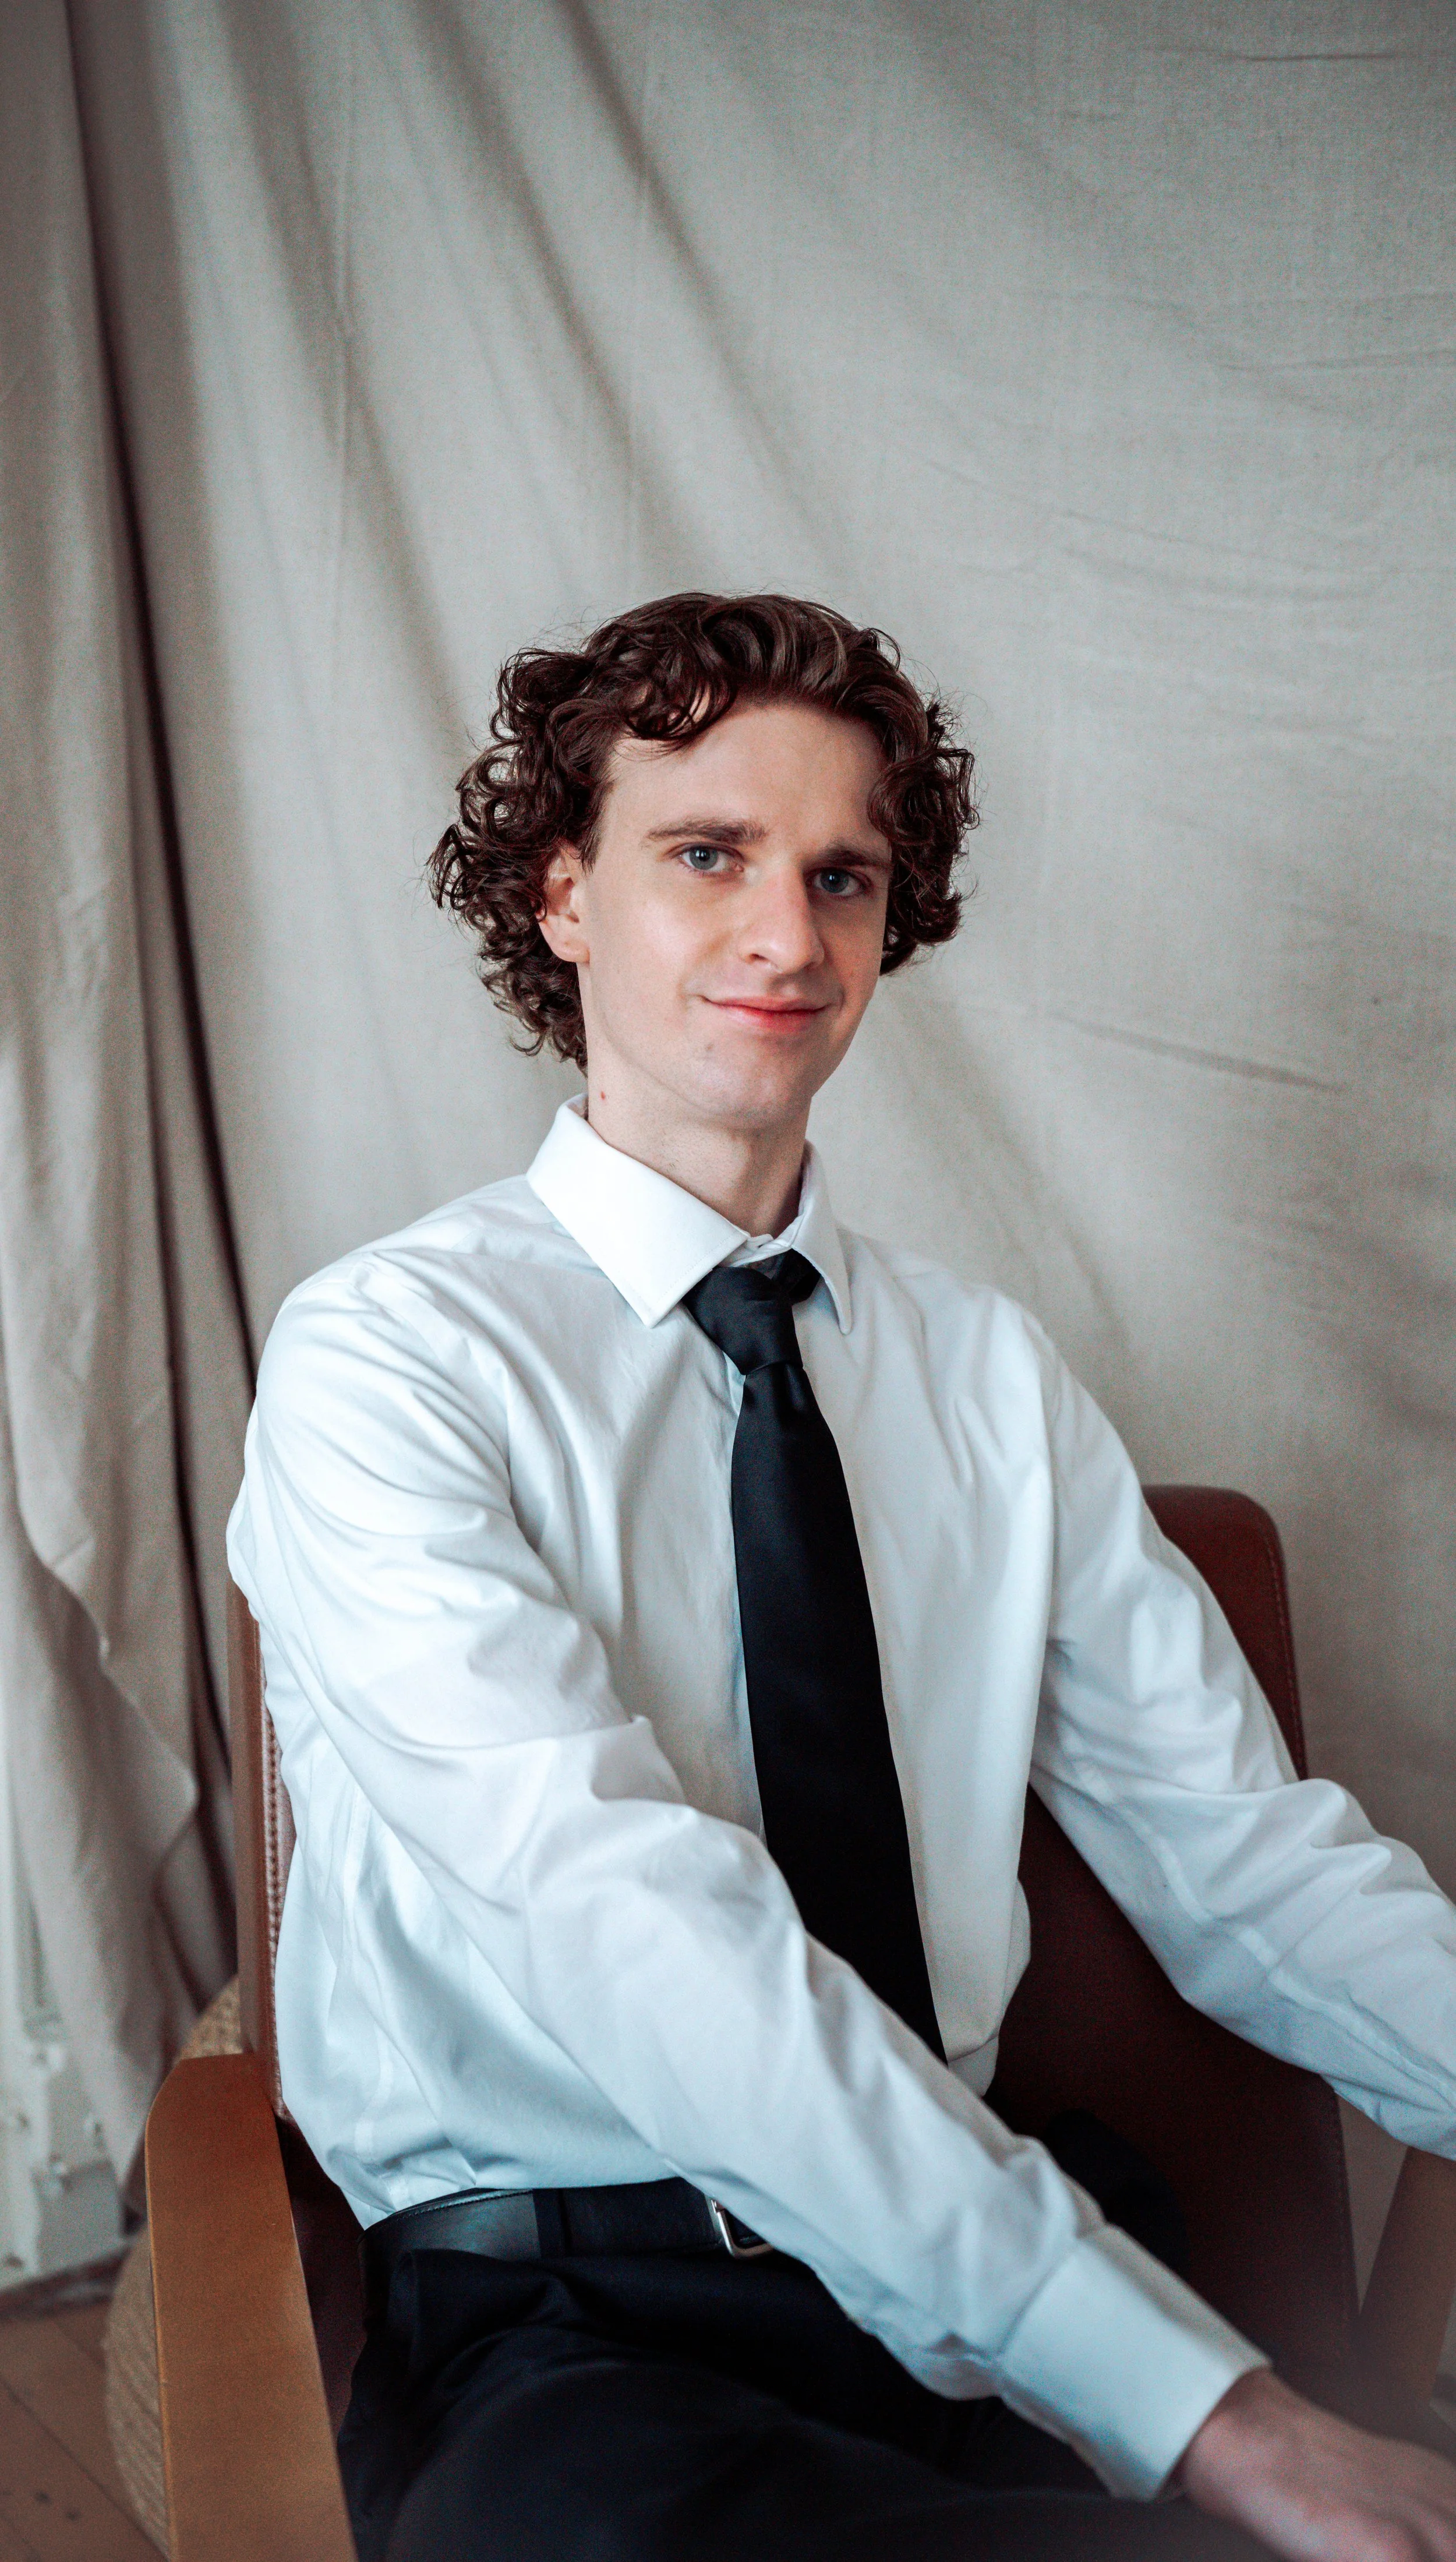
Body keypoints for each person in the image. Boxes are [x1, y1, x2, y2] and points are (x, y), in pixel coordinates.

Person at [227, 592, 1456, 2562]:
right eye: (704, 855)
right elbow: (622, 1918)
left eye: (843, 874)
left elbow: (1252, 1864)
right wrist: (1213, 2413)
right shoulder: (385, 1361)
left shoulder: (984, 1372)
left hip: (1031, 2268)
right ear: (561, 897)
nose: (788, 936)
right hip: (587, 2319)